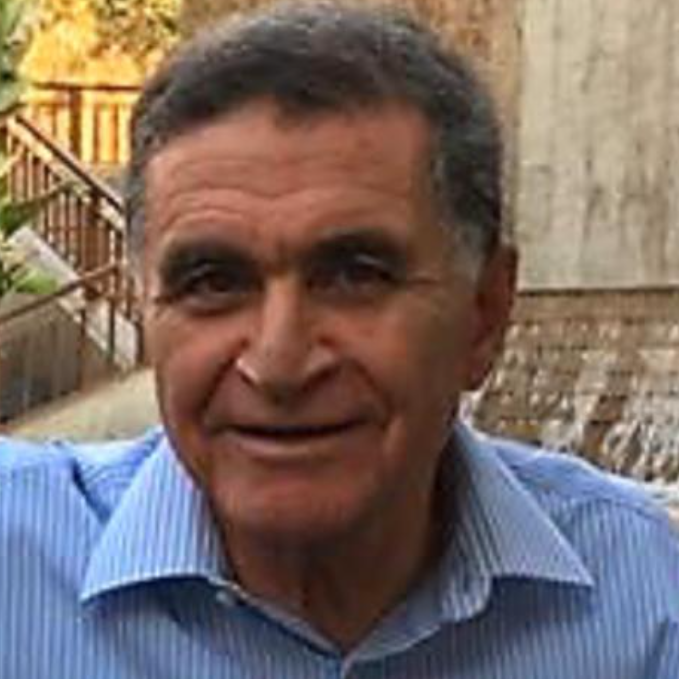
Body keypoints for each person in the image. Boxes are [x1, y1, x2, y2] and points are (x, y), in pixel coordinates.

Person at [1, 3, 677, 677]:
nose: (278, 363)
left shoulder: (642, 599)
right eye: (214, 282)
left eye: (355, 276)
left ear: (483, 314)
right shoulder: (18, 563)